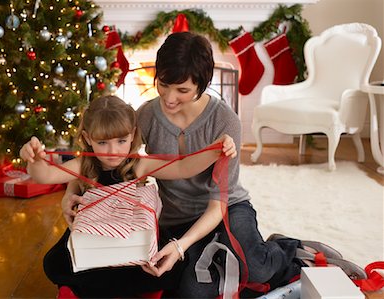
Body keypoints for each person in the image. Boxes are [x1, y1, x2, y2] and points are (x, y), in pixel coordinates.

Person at [61, 32, 366, 298]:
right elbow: (106, 163)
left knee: (257, 269)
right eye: (164, 85)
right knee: (192, 291)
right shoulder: (146, 116)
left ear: (203, 85)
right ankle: (228, 259)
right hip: (175, 218)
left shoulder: (225, 121)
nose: (169, 97)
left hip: (226, 209)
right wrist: (69, 192)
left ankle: (288, 250)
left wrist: (181, 247)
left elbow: (218, 204)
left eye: (182, 90)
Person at [19, 95, 236, 297]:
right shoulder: (84, 165)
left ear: (132, 134)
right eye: (103, 142)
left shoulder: (138, 164)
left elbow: (183, 168)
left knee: (170, 267)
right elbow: (45, 175)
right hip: (94, 243)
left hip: (131, 241)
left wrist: (215, 150)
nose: (113, 151)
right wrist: (33, 159)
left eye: (121, 140)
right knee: (58, 263)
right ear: (87, 138)